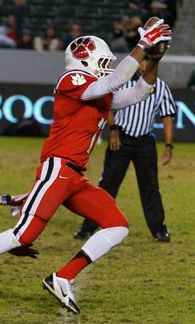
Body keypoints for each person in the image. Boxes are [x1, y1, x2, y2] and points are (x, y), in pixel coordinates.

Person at [0, 19, 172, 314]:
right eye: (102, 62)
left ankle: (63, 277)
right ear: (84, 59)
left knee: (118, 226)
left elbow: (140, 92)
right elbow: (114, 81)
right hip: (59, 167)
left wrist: (153, 59)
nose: (106, 67)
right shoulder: (71, 79)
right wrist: (142, 45)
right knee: (22, 236)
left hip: (74, 176)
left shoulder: (96, 91)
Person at [74, 55, 176, 242]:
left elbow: (168, 115)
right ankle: (88, 227)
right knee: (107, 185)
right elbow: (108, 107)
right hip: (120, 139)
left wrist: (169, 145)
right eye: (142, 62)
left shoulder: (161, 87)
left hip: (145, 141)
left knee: (150, 187)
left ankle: (159, 229)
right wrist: (113, 129)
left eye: (148, 62)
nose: (144, 65)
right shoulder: (122, 82)